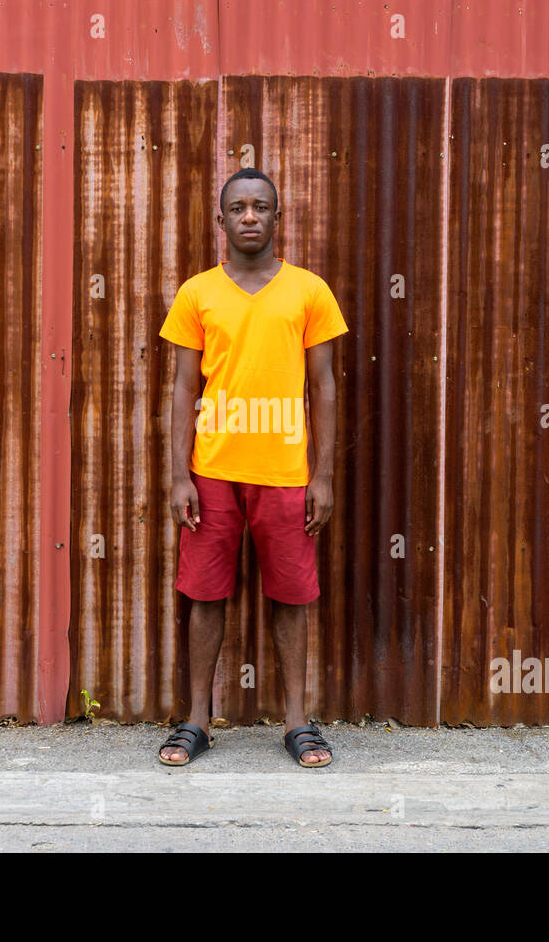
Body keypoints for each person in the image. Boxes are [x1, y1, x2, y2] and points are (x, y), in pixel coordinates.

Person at [156, 168, 348, 768]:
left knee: (290, 596)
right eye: (237, 207)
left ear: (277, 217)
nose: (248, 217)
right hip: (212, 470)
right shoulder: (197, 294)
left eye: (260, 207)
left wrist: (323, 475)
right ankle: (195, 720)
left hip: (287, 471)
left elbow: (324, 386)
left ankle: (297, 722)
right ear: (220, 220)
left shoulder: (309, 291)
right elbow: (184, 386)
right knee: (205, 595)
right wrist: (178, 474)